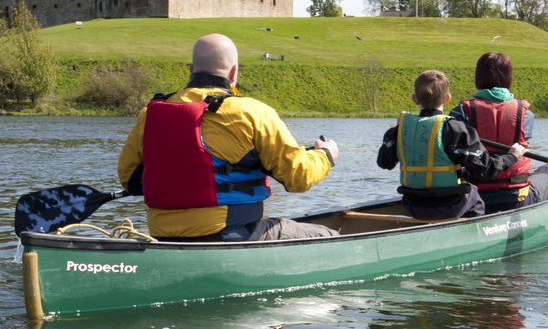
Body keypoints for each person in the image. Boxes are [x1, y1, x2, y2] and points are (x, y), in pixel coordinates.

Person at [118, 33, 339, 241]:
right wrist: (326, 155)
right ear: (233, 73)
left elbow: (129, 179)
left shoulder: (150, 114)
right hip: (229, 232)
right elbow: (298, 178)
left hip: (161, 234)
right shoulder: (251, 112)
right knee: (329, 236)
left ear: (191, 69)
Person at [377, 70, 526, 219]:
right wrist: (512, 156)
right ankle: (476, 234)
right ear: (447, 99)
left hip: (412, 205)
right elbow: (485, 170)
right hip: (448, 206)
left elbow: (384, 163)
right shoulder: (455, 129)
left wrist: (397, 132)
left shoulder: (399, 130)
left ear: (415, 99)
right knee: (473, 192)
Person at [448, 52, 548, 213]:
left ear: (478, 77)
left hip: (475, 197)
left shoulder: (460, 112)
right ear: (508, 77)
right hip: (515, 196)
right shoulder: (525, 114)